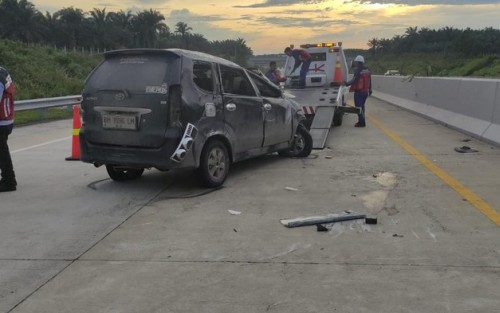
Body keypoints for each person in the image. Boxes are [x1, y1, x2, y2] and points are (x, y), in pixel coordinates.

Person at [343, 55, 372, 127]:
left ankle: (361, 122)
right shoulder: (367, 70)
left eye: (356, 62)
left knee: (358, 107)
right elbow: (370, 81)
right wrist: (370, 89)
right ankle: (362, 120)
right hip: (365, 92)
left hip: (359, 92)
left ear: (358, 62)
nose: (355, 63)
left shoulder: (358, 70)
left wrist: (346, 84)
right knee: (362, 107)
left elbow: (354, 80)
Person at [0, 66, 16, 192]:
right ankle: (9, 179)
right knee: (2, 152)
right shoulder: (3, 70)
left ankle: (9, 181)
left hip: (2, 121)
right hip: (7, 119)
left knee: (2, 152)